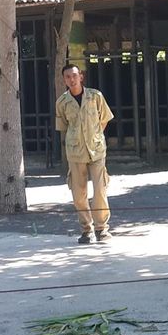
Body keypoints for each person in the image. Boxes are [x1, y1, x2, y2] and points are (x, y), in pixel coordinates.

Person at [55, 64, 114, 244]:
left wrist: (95, 135)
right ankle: (86, 229)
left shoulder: (95, 96)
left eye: (74, 75)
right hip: (75, 152)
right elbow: (63, 127)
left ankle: (101, 228)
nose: (71, 80)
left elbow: (104, 119)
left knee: (99, 190)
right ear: (64, 79)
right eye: (67, 77)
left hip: (96, 150)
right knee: (78, 193)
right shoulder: (62, 102)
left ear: (81, 76)